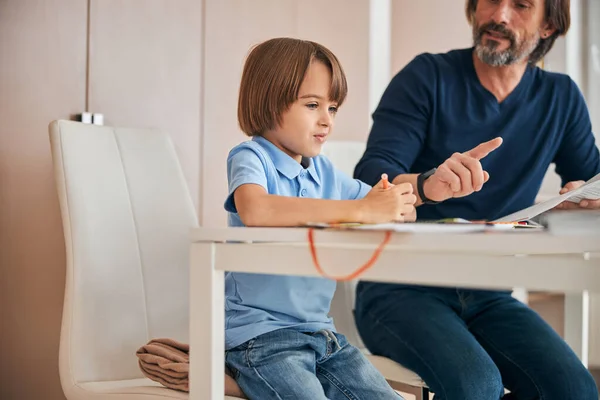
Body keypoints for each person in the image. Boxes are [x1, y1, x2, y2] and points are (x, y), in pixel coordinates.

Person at [353, 1, 600, 399]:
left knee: (575, 390)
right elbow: (371, 176)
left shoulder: (561, 97)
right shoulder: (427, 76)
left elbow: (592, 178)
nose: (499, 15)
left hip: (488, 293)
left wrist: (585, 197)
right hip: (399, 289)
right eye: (490, 0)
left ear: (549, 25)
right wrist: (426, 184)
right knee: (476, 386)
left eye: (520, 5)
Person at [223, 37, 415, 400]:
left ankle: (244, 386)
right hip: (260, 338)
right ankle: (238, 377)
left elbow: (379, 204)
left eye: (333, 107)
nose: (327, 120)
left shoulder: (324, 171)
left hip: (323, 337)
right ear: (269, 101)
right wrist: (362, 210)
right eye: (312, 105)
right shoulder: (251, 157)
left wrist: (398, 204)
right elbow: (256, 209)